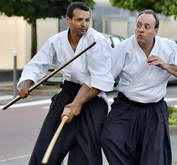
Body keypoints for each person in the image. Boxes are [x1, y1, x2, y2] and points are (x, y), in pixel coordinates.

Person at [17, 2, 114, 165]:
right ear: (68, 20)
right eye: (79, 20)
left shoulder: (97, 40)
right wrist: (27, 84)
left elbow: (100, 79)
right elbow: (38, 64)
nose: (84, 24)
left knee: (86, 151)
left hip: (93, 95)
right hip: (68, 91)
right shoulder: (56, 41)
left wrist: (77, 104)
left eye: (87, 20)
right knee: (46, 146)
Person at [101, 10, 177, 165]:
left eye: (147, 26)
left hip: (154, 110)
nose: (141, 29)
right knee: (109, 138)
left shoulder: (169, 47)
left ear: (156, 31)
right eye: (139, 25)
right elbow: (104, 77)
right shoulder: (124, 48)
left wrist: (166, 66)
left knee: (153, 158)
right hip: (126, 106)